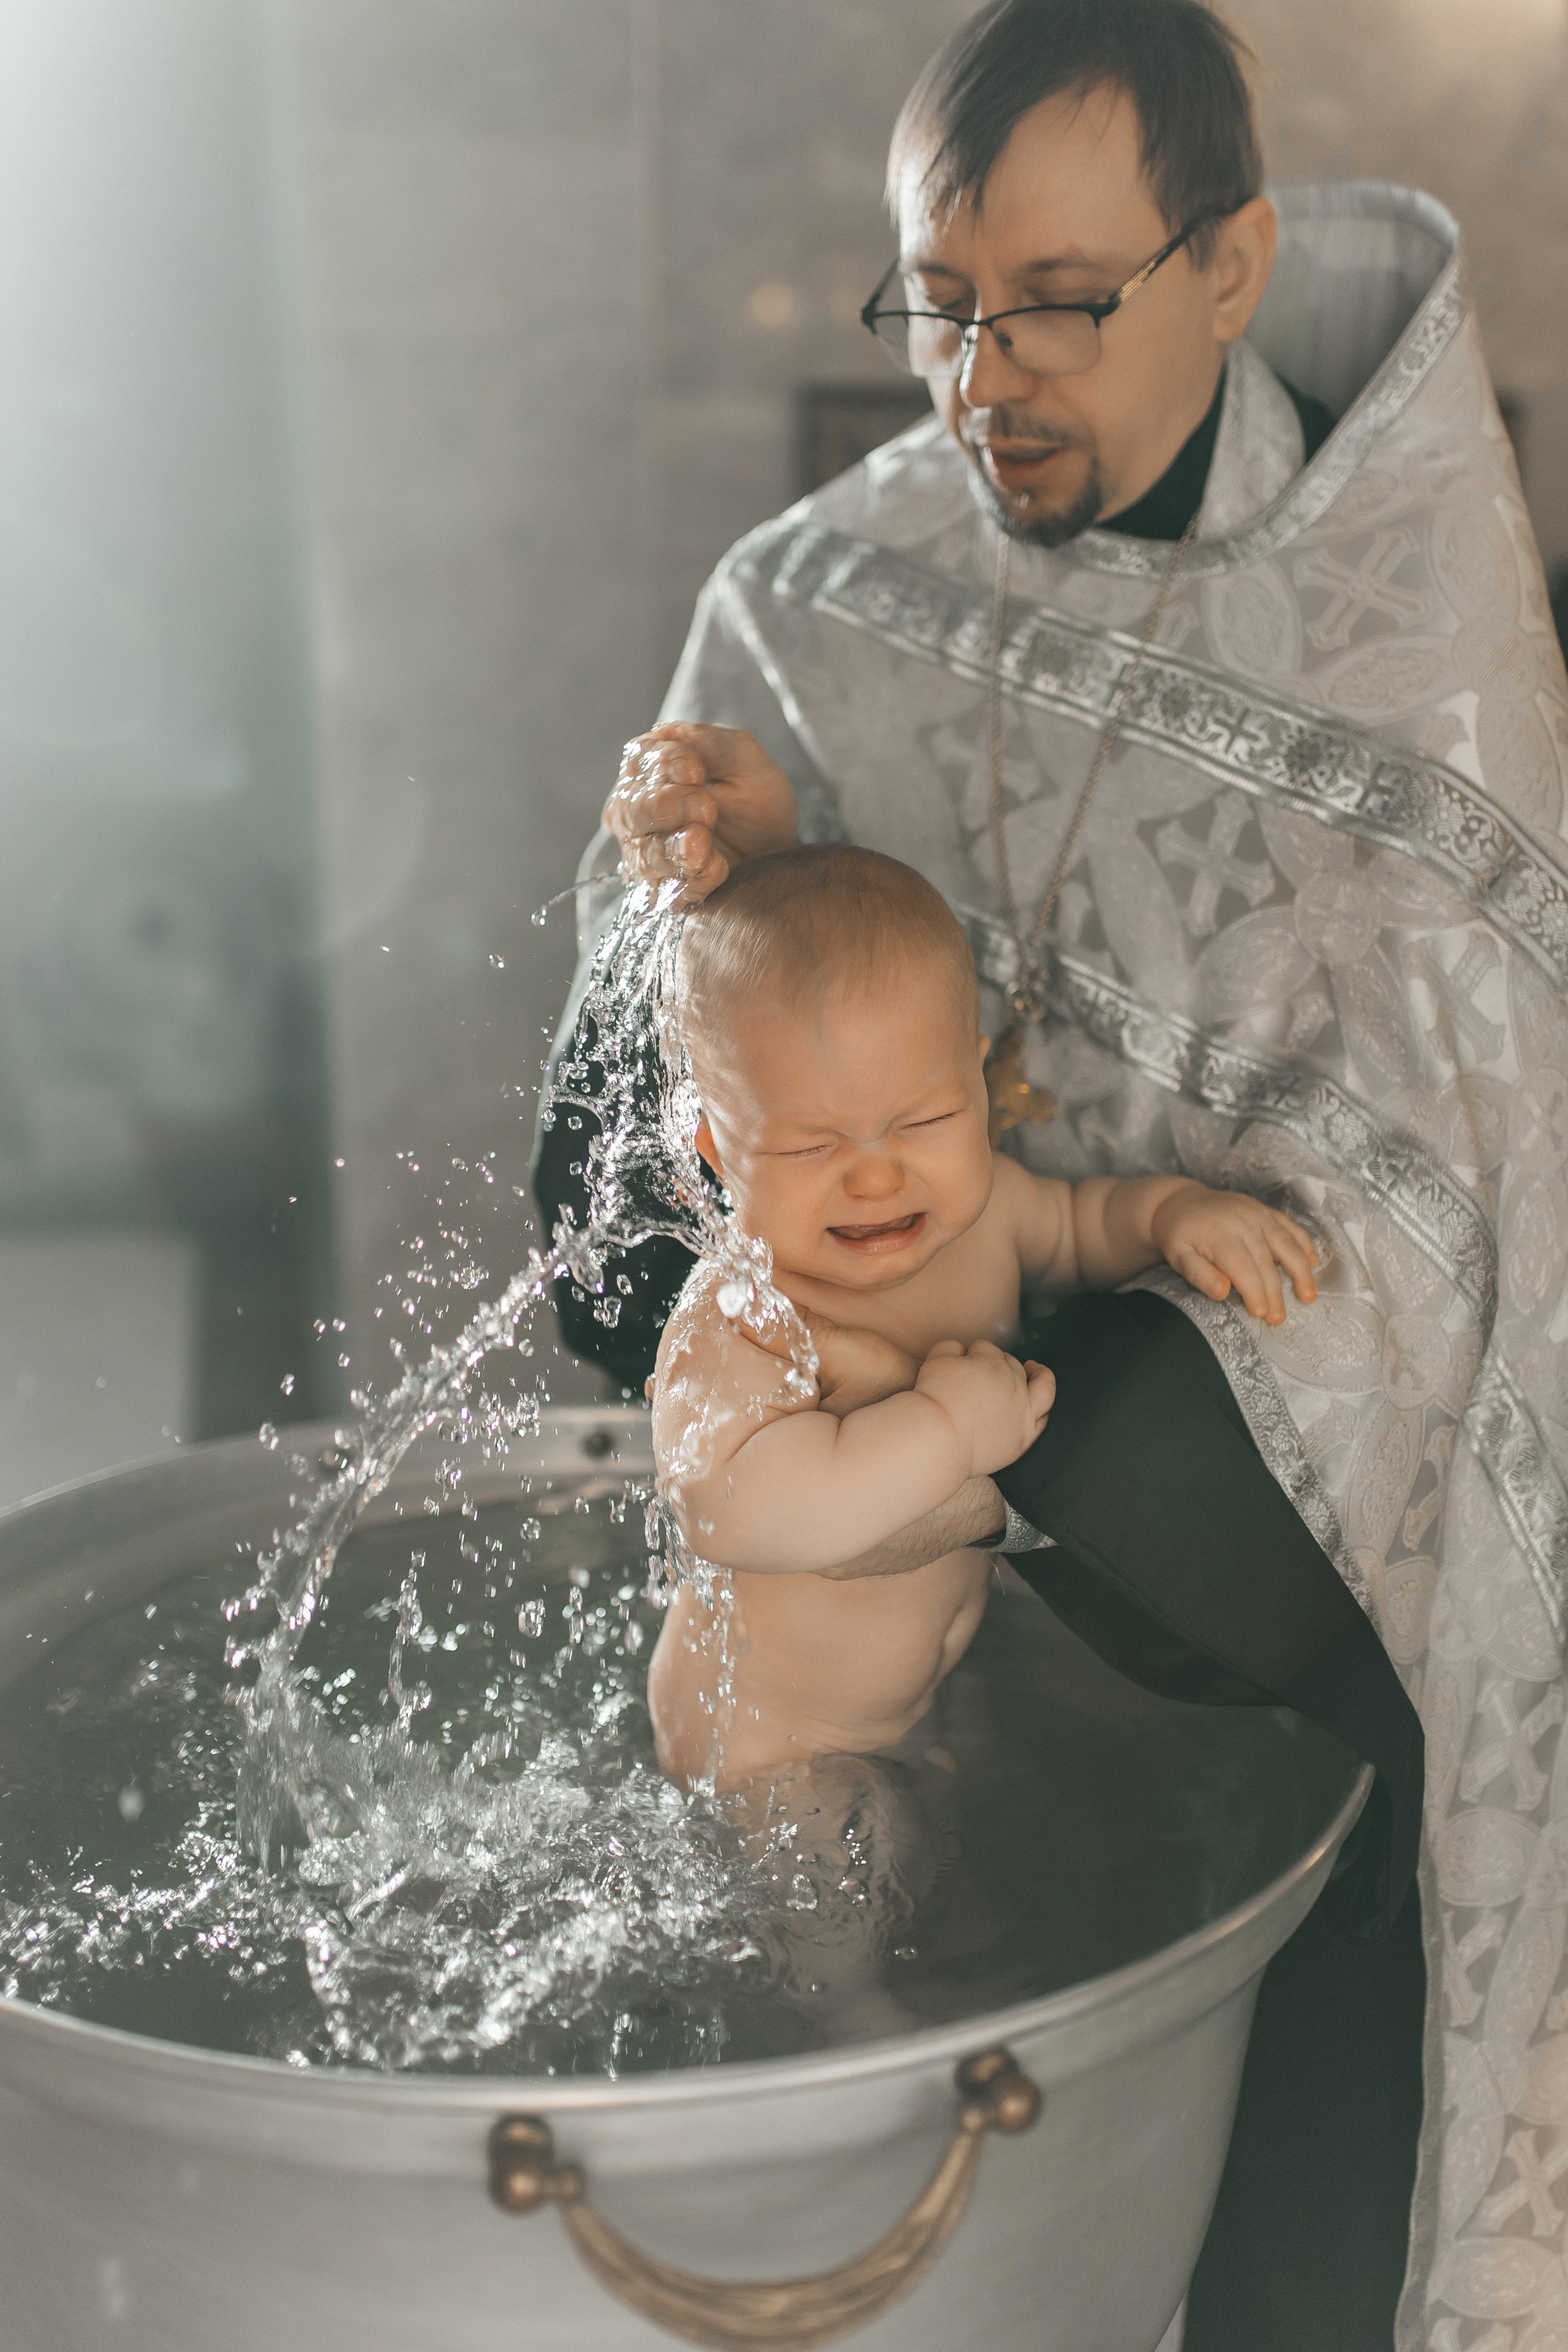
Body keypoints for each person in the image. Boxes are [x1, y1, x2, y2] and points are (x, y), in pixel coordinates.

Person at [537, 2, 1568, 2343]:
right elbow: (622, 1191)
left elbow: (1475, 1207)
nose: (982, 381)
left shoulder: (1418, 652)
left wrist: (1026, 1373)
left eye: (1063, 306)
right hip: (916, 1514)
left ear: (1234, 267)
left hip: (1256, 1571)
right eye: (939, 305)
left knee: (1280, 2199)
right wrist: (740, 898)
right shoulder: (832, 590)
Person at [649, 842, 1318, 1791]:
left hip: (914, 1702)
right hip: (772, 1745)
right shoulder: (741, 1313)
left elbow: (1083, 1228)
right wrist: (946, 1429)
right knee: (856, 1889)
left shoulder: (988, 1212)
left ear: (976, 1082)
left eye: (924, 1122)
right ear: (719, 1151)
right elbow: (732, 1511)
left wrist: (1170, 1216)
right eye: (810, 1148)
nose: (877, 1178)